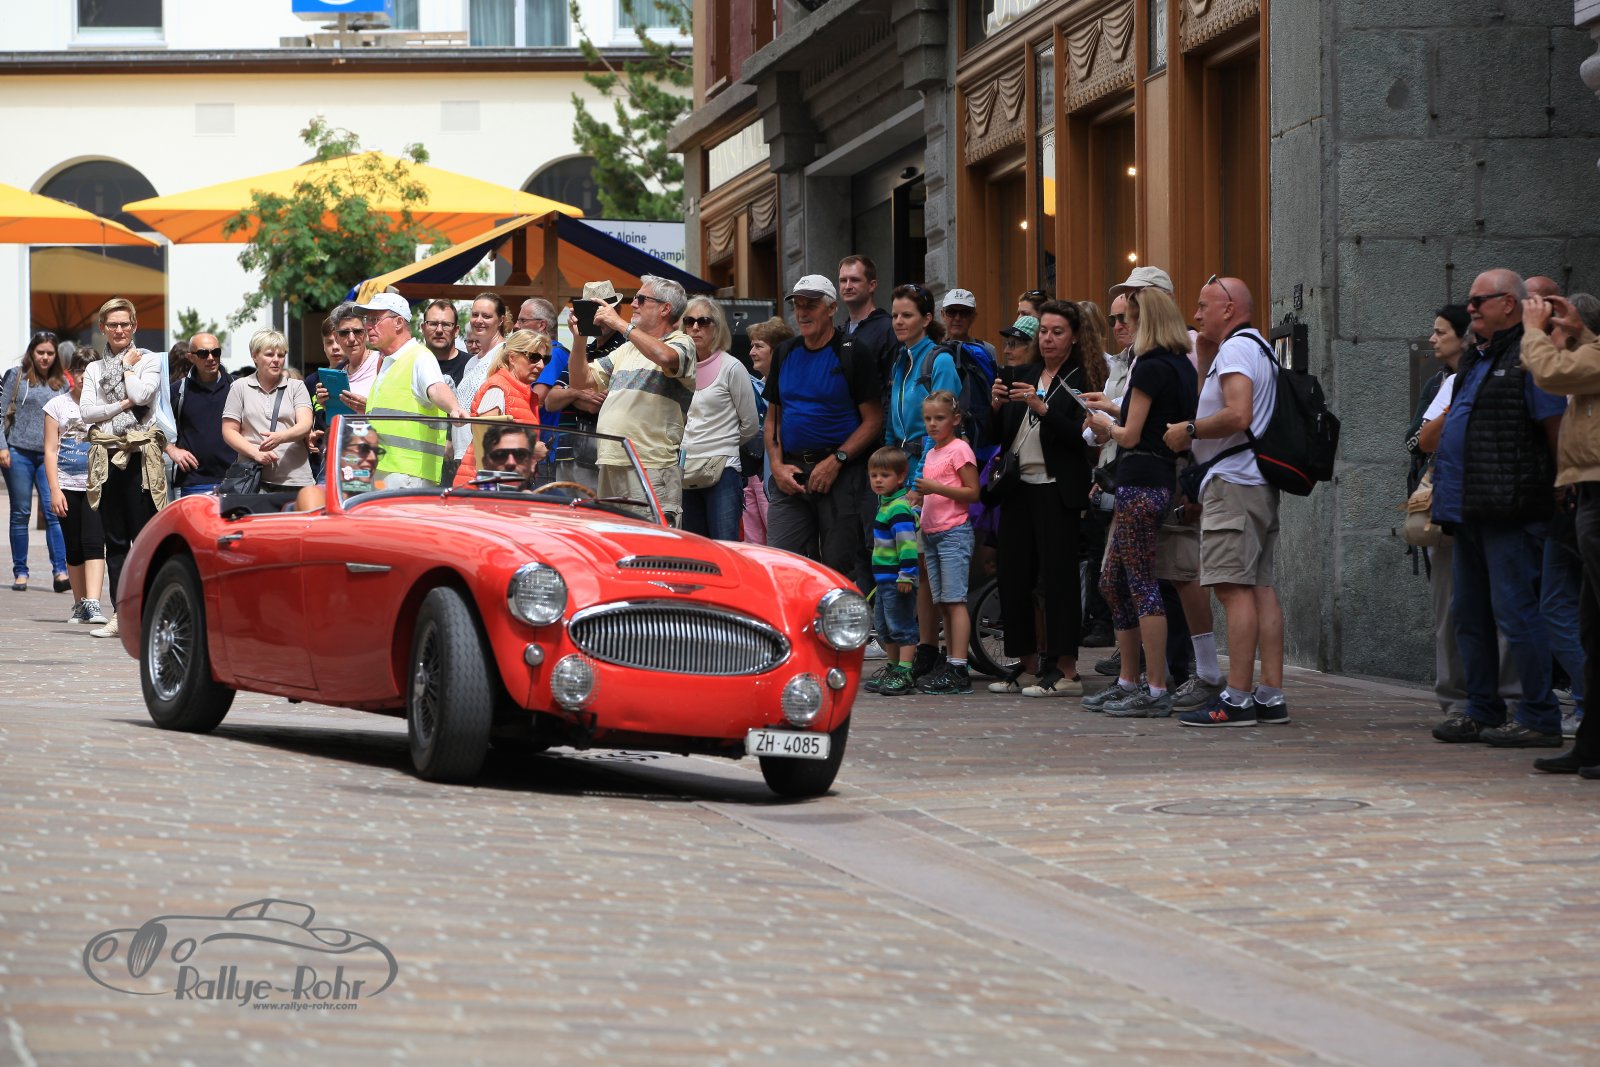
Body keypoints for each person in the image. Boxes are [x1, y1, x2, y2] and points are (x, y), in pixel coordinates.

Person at [1428, 269, 1565, 748]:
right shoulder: (1476, 356)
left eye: (1478, 301)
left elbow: (1554, 427)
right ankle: (1482, 708)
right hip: (1467, 506)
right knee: (1469, 613)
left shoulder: (1530, 354)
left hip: (1511, 506)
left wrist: (1560, 484)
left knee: (1516, 613)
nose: (1470, 309)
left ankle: (1540, 715)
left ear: (1509, 303)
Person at [1164, 276, 1285, 728]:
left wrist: (1188, 431)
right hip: (1256, 483)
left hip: (1233, 485)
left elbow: (1238, 414)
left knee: (1233, 589)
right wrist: (1204, 360)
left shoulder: (1236, 349)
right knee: (1260, 588)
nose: (1196, 315)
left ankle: (1236, 698)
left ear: (1229, 308)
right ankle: (1270, 695)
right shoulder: (1260, 348)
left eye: (1203, 306)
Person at [1080, 287, 1198, 716]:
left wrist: (1104, 426)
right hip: (1156, 480)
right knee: (1113, 581)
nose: (1124, 326)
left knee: (1141, 584)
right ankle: (1130, 680)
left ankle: (1154, 687)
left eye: (1129, 318)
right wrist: (1115, 414)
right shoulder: (1180, 365)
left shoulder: (1149, 366)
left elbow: (1130, 435)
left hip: (1142, 482)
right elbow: (1151, 424)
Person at [1408, 305, 1523, 723]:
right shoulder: (1452, 382)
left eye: (1442, 332)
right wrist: (1458, 403)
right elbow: (1421, 440)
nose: (1433, 339)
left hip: (1503, 504)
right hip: (1454, 506)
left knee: (1508, 608)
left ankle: (1512, 702)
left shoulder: (1520, 372)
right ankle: (1461, 701)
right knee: (1455, 609)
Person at [988, 299, 1094, 697]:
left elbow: (1082, 438)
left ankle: (1066, 670)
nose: (1048, 339)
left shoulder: (1082, 377)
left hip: (1057, 488)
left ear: (1075, 336)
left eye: (1057, 332)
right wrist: (996, 406)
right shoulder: (1024, 372)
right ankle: (1028, 664)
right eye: (1044, 331)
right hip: (1018, 487)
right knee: (1013, 575)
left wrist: (1043, 408)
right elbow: (998, 436)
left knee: (1058, 579)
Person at [764, 275, 884, 590]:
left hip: (841, 475)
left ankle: (837, 622)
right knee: (780, 563)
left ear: (831, 309)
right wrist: (776, 466)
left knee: (838, 569)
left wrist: (837, 460)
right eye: (798, 305)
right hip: (791, 474)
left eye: (811, 305)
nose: (803, 312)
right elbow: (773, 419)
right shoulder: (785, 352)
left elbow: (873, 420)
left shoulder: (852, 352)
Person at [1523, 294, 1600, 776]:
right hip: (1585, 493)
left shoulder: (1592, 358)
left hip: (1597, 493)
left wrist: (1534, 330)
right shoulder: (1590, 351)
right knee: (1592, 630)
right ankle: (1591, 746)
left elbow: (1550, 373)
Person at [78, 297, 170, 639]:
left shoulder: (148, 359)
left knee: (144, 538)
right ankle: (121, 614)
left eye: (125, 324)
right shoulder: (93, 369)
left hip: (141, 459)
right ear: (103, 328)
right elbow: (87, 412)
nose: (119, 330)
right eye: (113, 325)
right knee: (115, 541)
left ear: (134, 326)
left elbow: (143, 396)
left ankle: (149, 612)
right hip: (107, 458)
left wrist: (127, 369)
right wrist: (120, 404)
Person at [570, 275, 697, 524]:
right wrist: (579, 338)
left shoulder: (681, 341)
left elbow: (665, 357)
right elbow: (580, 382)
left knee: (652, 540)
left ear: (665, 308)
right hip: (611, 461)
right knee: (614, 539)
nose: (634, 304)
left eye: (641, 299)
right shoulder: (626, 348)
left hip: (651, 465)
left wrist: (619, 324)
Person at [883, 283, 960, 679]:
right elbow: (891, 421)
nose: (899, 321)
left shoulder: (938, 359)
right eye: (895, 315)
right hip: (902, 470)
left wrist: (917, 481)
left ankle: (933, 649)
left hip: (929, 474)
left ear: (927, 319)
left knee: (927, 566)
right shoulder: (901, 359)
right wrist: (887, 471)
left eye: (907, 315)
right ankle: (919, 648)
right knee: (910, 563)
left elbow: (939, 427)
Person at [351, 293, 467, 489]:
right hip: (386, 471)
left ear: (398, 323)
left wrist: (454, 408)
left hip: (408, 476)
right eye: (367, 320)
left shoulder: (420, 357)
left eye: (375, 319)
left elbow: (436, 387)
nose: (368, 326)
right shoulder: (389, 362)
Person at [913, 390, 980, 695]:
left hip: (954, 533)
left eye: (939, 418)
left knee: (955, 601)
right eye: (927, 418)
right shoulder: (931, 452)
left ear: (955, 419)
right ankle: (952, 661)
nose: (932, 424)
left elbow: (972, 492)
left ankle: (959, 667)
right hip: (932, 534)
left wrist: (934, 488)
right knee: (942, 602)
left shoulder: (960, 449)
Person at [680, 296, 760, 540]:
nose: (695, 327)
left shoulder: (732, 367)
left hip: (723, 471)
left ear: (717, 327)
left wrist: (723, 445)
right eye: (689, 321)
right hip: (686, 470)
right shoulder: (680, 368)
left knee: (725, 547)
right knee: (693, 549)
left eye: (703, 321)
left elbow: (751, 424)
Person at [1, 330, 72, 592]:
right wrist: (2, 447)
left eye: (50, 353)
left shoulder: (61, 383)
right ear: (32, 352)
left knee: (55, 511)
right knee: (21, 513)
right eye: (40, 352)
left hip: (49, 456)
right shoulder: (16, 376)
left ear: (56, 356)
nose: (44, 357)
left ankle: (60, 572)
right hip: (18, 452)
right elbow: (0, 413)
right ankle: (20, 572)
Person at [43, 349, 107, 624]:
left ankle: (94, 603)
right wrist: (54, 489)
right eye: (79, 370)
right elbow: (50, 450)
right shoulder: (56, 406)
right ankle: (80, 604)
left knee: (94, 542)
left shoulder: (107, 404)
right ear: (71, 373)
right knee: (74, 546)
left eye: (90, 370)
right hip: (67, 485)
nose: (83, 376)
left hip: (97, 486)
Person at [548, 281, 627, 481]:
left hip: (597, 455)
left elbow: (594, 405)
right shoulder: (584, 349)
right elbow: (550, 401)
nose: (597, 318)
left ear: (617, 311)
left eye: (601, 310)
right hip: (569, 452)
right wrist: (578, 393)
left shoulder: (626, 349)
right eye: (591, 311)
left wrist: (569, 394)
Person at [222, 330, 315, 493]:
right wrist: (255, 453)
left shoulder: (296, 387)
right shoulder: (239, 387)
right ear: (254, 356)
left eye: (281, 355)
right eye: (270, 354)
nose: (276, 360)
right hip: (253, 478)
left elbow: (305, 424)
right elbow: (229, 431)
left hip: (295, 478)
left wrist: (281, 437)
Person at [452, 329, 549, 486]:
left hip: (503, 484)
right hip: (483, 487)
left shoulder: (524, 393)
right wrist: (530, 450)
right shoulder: (498, 388)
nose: (541, 365)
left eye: (546, 359)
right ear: (512, 357)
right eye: (534, 357)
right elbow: (485, 441)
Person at [863, 446, 921, 697]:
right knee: (884, 627)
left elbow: (907, 545)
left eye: (884, 475)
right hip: (885, 581)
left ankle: (905, 671)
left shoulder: (898, 509)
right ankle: (893, 667)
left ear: (900, 477)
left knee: (901, 626)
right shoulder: (886, 505)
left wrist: (906, 574)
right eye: (874, 475)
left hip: (899, 580)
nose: (878, 480)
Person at [164, 332, 236, 498]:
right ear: (191, 357)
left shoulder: (237, 387)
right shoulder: (178, 390)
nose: (211, 358)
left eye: (216, 352)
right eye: (203, 353)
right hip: (194, 482)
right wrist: (171, 449)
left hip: (235, 480)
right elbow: (150, 424)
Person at [740, 317, 791, 545]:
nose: (751, 352)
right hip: (751, 475)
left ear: (777, 350)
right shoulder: (754, 385)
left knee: (778, 540)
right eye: (752, 345)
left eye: (759, 346)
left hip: (775, 475)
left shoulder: (791, 387)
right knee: (752, 544)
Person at [838, 254, 896, 386]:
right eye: (843, 280)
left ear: (872, 285)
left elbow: (893, 385)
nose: (847, 286)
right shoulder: (841, 332)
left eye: (855, 280)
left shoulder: (889, 328)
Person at [940, 288, 997, 368]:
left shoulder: (987, 350)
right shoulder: (934, 350)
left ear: (973, 317)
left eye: (964, 312)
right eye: (951, 312)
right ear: (943, 315)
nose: (957, 318)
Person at [420, 300, 470, 385]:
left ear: (456, 331)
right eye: (433, 324)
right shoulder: (411, 364)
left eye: (446, 324)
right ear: (423, 329)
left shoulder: (472, 365)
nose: (439, 330)